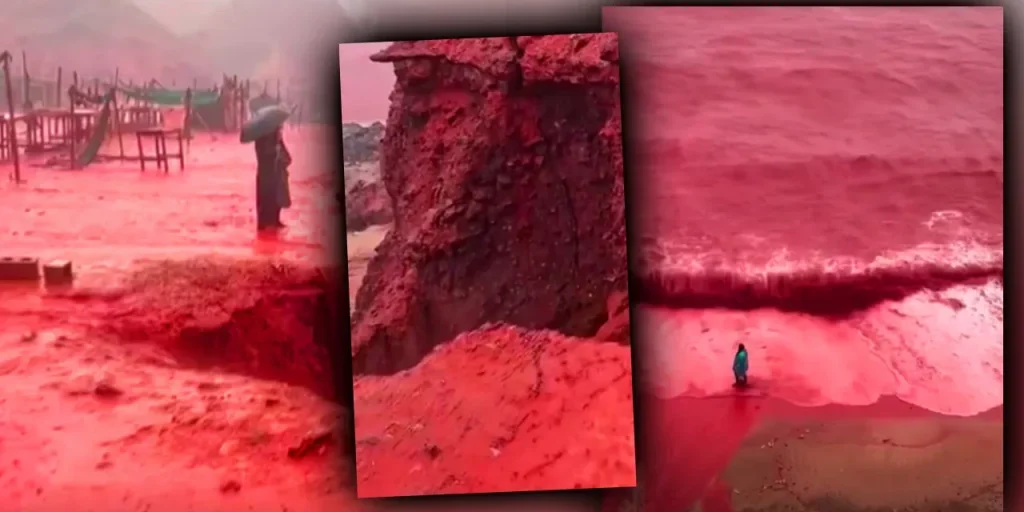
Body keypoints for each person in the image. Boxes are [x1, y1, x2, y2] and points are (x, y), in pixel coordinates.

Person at [254, 128, 292, 230]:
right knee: (265, 197)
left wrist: (279, 146)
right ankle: (263, 222)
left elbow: (287, 156)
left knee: (277, 196)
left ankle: (275, 220)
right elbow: (262, 154)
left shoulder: (277, 136)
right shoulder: (261, 135)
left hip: (276, 171)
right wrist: (275, 150)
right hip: (265, 172)